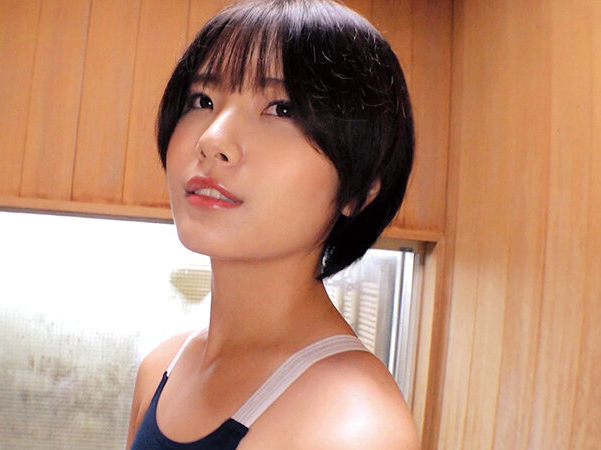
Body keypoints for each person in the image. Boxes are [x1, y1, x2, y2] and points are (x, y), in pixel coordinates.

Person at [127, 0, 417, 448]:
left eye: (282, 109)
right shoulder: (160, 368)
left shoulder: (351, 426)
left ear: (359, 191)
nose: (212, 140)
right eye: (203, 100)